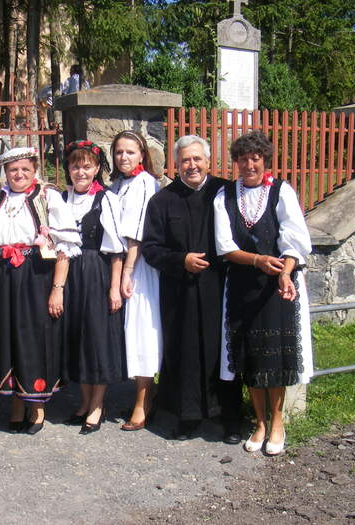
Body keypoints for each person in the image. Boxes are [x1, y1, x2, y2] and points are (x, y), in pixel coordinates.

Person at [213, 130, 313, 456]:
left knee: (274, 354)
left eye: (255, 158)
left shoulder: (282, 192)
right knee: (251, 356)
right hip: (242, 284)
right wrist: (256, 259)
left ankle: (278, 420)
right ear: (237, 162)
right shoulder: (225, 196)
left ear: (265, 160)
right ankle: (258, 422)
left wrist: (285, 273)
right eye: (243, 158)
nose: (249, 164)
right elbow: (225, 246)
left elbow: (294, 239)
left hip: (276, 287)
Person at [142, 135, 243, 443]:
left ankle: (229, 418)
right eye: (185, 160)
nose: (192, 165)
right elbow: (150, 248)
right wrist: (180, 260)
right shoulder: (162, 200)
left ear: (208, 161)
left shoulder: (226, 192)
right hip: (180, 291)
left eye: (197, 159)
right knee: (183, 352)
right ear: (176, 164)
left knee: (222, 352)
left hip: (220, 288)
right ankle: (186, 416)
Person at [0, 147, 81, 434]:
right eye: (12, 170)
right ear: (4, 173)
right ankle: (15, 404)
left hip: (34, 275)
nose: (18, 174)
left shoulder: (48, 198)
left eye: (24, 169)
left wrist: (57, 289)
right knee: (5, 336)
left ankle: (37, 406)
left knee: (32, 337)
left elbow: (65, 248)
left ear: (35, 170)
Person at [61, 140, 125, 434]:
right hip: (69, 274)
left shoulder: (106, 200)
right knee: (76, 337)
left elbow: (116, 250)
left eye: (87, 165)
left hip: (96, 273)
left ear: (98, 168)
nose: (81, 171)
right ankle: (84, 402)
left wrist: (114, 288)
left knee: (97, 339)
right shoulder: (62, 198)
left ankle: (97, 405)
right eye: (76, 165)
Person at [108, 130, 163, 432]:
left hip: (139, 266)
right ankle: (145, 394)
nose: (124, 157)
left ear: (142, 154)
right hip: (122, 264)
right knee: (130, 333)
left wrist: (128, 271)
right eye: (119, 152)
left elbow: (136, 232)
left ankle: (143, 403)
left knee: (141, 332)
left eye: (130, 152)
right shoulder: (119, 185)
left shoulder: (144, 183)